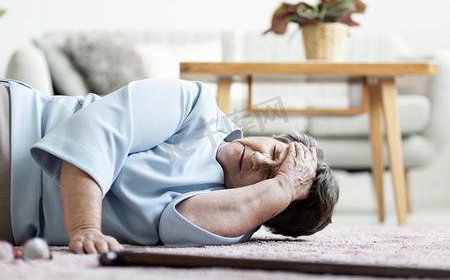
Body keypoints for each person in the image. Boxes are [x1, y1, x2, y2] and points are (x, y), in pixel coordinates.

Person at [0, 78, 339, 254]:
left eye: (268, 175)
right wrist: (85, 228)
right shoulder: (195, 107)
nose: (259, 159)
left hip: (10, 223)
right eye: (275, 151)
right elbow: (98, 132)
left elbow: (181, 224)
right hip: (14, 131)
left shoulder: (234, 218)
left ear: (268, 207)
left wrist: (282, 188)